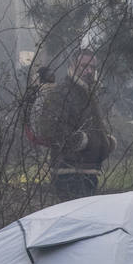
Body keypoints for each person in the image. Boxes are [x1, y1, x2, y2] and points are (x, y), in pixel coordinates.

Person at [34, 51, 116, 201]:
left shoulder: (88, 93)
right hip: (68, 173)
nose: (89, 71)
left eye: (92, 67)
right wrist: (82, 141)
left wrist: (104, 142)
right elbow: (49, 130)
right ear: (72, 66)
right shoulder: (61, 93)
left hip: (89, 171)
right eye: (84, 66)